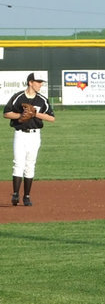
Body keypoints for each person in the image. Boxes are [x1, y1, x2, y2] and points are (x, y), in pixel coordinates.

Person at [4, 73, 56, 207]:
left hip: (35, 135)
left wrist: (35, 114)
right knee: (18, 163)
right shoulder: (18, 97)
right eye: (38, 82)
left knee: (30, 164)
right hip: (20, 134)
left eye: (41, 82)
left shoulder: (42, 100)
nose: (40, 84)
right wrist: (21, 115)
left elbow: (52, 118)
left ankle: (26, 196)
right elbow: (6, 113)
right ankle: (15, 194)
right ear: (30, 82)